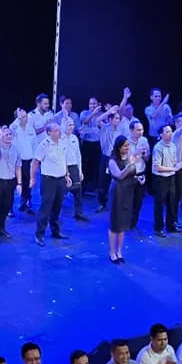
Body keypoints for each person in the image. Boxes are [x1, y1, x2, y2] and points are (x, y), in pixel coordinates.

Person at [32, 122, 71, 247]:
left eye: (59, 130)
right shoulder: (44, 145)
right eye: (56, 131)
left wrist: (67, 175)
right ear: (49, 133)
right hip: (49, 180)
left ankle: (55, 231)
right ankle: (39, 234)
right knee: (46, 208)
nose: (59, 133)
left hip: (61, 180)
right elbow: (35, 162)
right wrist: (32, 178)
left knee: (57, 207)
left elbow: (63, 160)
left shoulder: (62, 143)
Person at [0, 125, 22, 243]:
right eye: (6, 134)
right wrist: (0, 138)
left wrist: (19, 183)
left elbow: (18, 167)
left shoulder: (16, 149)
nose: (8, 136)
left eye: (9, 134)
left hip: (10, 182)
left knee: (6, 206)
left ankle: (0, 228)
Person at [107, 135, 138, 263]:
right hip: (117, 192)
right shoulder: (112, 160)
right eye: (125, 146)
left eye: (128, 146)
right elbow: (119, 176)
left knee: (123, 223)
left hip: (127, 192)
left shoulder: (129, 157)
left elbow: (133, 172)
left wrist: (139, 178)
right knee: (115, 223)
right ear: (119, 147)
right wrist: (130, 165)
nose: (127, 148)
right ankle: (112, 252)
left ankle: (119, 251)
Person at [152, 124, 182, 236]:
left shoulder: (173, 146)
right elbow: (157, 167)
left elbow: (174, 162)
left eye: (170, 131)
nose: (170, 134)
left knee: (172, 202)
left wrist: (180, 165)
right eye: (167, 132)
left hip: (171, 177)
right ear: (161, 134)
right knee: (159, 204)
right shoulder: (158, 148)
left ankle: (171, 225)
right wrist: (174, 168)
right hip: (160, 179)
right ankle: (158, 227)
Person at [11, 108, 37, 214]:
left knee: (28, 183)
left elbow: (35, 145)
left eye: (26, 116)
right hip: (16, 161)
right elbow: (11, 128)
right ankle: (9, 208)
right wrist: (18, 118)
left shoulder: (31, 129)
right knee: (13, 185)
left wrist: (35, 160)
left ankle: (24, 204)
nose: (26, 118)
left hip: (28, 161)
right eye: (22, 117)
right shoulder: (14, 128)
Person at [63, 119, 88, 221]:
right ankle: (54, 215)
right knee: (61, 192)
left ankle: (78, 213)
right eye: (69, 125)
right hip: (64, 168)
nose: (72, 127)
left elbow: (78, 155)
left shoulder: (74, 138)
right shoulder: (60, 139)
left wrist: (80, 170)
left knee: (78, 191)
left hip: (74, 167)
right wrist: (65, 172)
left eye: (73, 125)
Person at [79, 96, 103, 194]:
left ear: (98, 104)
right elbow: (84, 121)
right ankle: (83, 187)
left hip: (97, 143)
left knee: (96, 166)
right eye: (90, 103)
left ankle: (94, 187)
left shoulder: (102, 114)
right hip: (87, 143)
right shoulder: (84, 113)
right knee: (85, 165)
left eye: (94, 103)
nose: (92, 105)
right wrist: (93, 113)